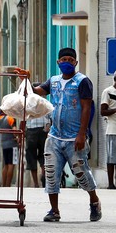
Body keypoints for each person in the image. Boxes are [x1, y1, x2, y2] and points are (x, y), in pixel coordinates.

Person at [31, 47, 102, 223]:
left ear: (76, 63)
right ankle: (54, 211)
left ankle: (94, 201)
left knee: (81, 173)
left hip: (74, 138)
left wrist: (81, 134)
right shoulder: (53, 81)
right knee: (51, 174)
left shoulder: (82, 81)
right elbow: (38, 91)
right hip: (54, 137)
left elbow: (86, 108)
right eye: (64, 60)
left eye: (71, 60)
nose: (67, 63)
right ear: (58, 62)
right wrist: (25, 80)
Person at [24, 111, 48, 188]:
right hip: (43, 130)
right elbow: (49, 116)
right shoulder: (43, 102)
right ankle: (44, 176)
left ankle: (36, 184)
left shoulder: (28, 104)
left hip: (31, 130)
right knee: (43, 154)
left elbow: (23, 118)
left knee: (31, 156)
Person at [0, 110, 17, 187]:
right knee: (11, 165)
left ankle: (4, 184)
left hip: (4, 144)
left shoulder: (0, 119)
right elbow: (15, 131)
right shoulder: (11, 119)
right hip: (12, 144)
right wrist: (17, 136)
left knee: (5, 165)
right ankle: (8, 185)